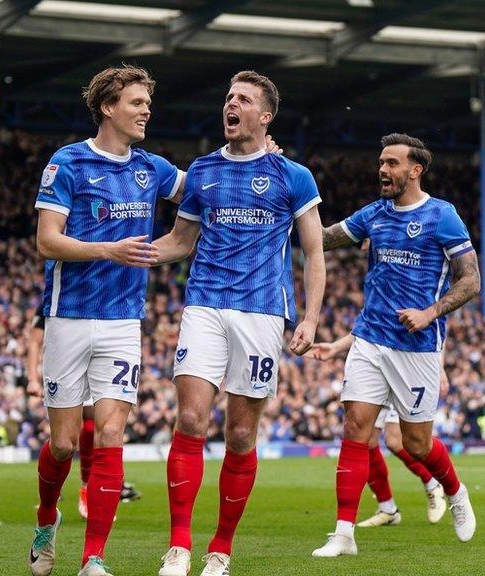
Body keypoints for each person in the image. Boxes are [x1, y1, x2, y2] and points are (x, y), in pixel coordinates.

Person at [152, 70, 325, 576]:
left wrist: (310, 318)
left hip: (261, 312)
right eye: (228, 97)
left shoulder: (294, 176)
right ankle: (179, 546)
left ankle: (221, 549)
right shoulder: (203, 171)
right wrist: (119, 252)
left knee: (243, 435)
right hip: (204, 304)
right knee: (189, 420)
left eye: (244, 99)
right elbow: (179, 243)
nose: (232, 105)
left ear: (265, 116)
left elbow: (313, 252)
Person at [27, 64, 182, 576]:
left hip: (123, 321)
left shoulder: (153, 168)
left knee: (112, 435)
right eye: (137, 103)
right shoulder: (67, 163)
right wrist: (107, 250)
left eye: (147, 103)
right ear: (109, 106)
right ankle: (46, 518)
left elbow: (206, 190)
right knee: (65, 444)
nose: (146, 111)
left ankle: (94, 557)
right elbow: (47, 240)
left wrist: (256, 160)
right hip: (67, 315)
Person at [310, 133, 479, 558]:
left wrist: (430, 313)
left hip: (418, 346)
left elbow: (471, 280)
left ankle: (456, 493)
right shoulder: (375, 214)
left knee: (416, 444)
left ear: (415, 170)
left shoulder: (443, 216)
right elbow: (322, 238)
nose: (382, 170)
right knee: (355, 430)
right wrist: (288, 198)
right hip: (369, 340)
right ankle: (343, 533)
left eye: (391, 163)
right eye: (380, 162)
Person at [307, 331, 448, 527]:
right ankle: (388, 508)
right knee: (367, 440)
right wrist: (336, 347)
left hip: (407, 365)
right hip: (376, 365)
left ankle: (433, 483)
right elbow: (365, 325)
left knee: (395, 440)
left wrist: (438, 367)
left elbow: (437, 326)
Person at [25, 303, 141, 522]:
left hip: (103, 345)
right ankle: (49, 505)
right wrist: (32, 377)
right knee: (63, 444)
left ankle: (87, 488)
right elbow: (34, 340)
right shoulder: (55, 293)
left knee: (101, 425)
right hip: (67, 349)